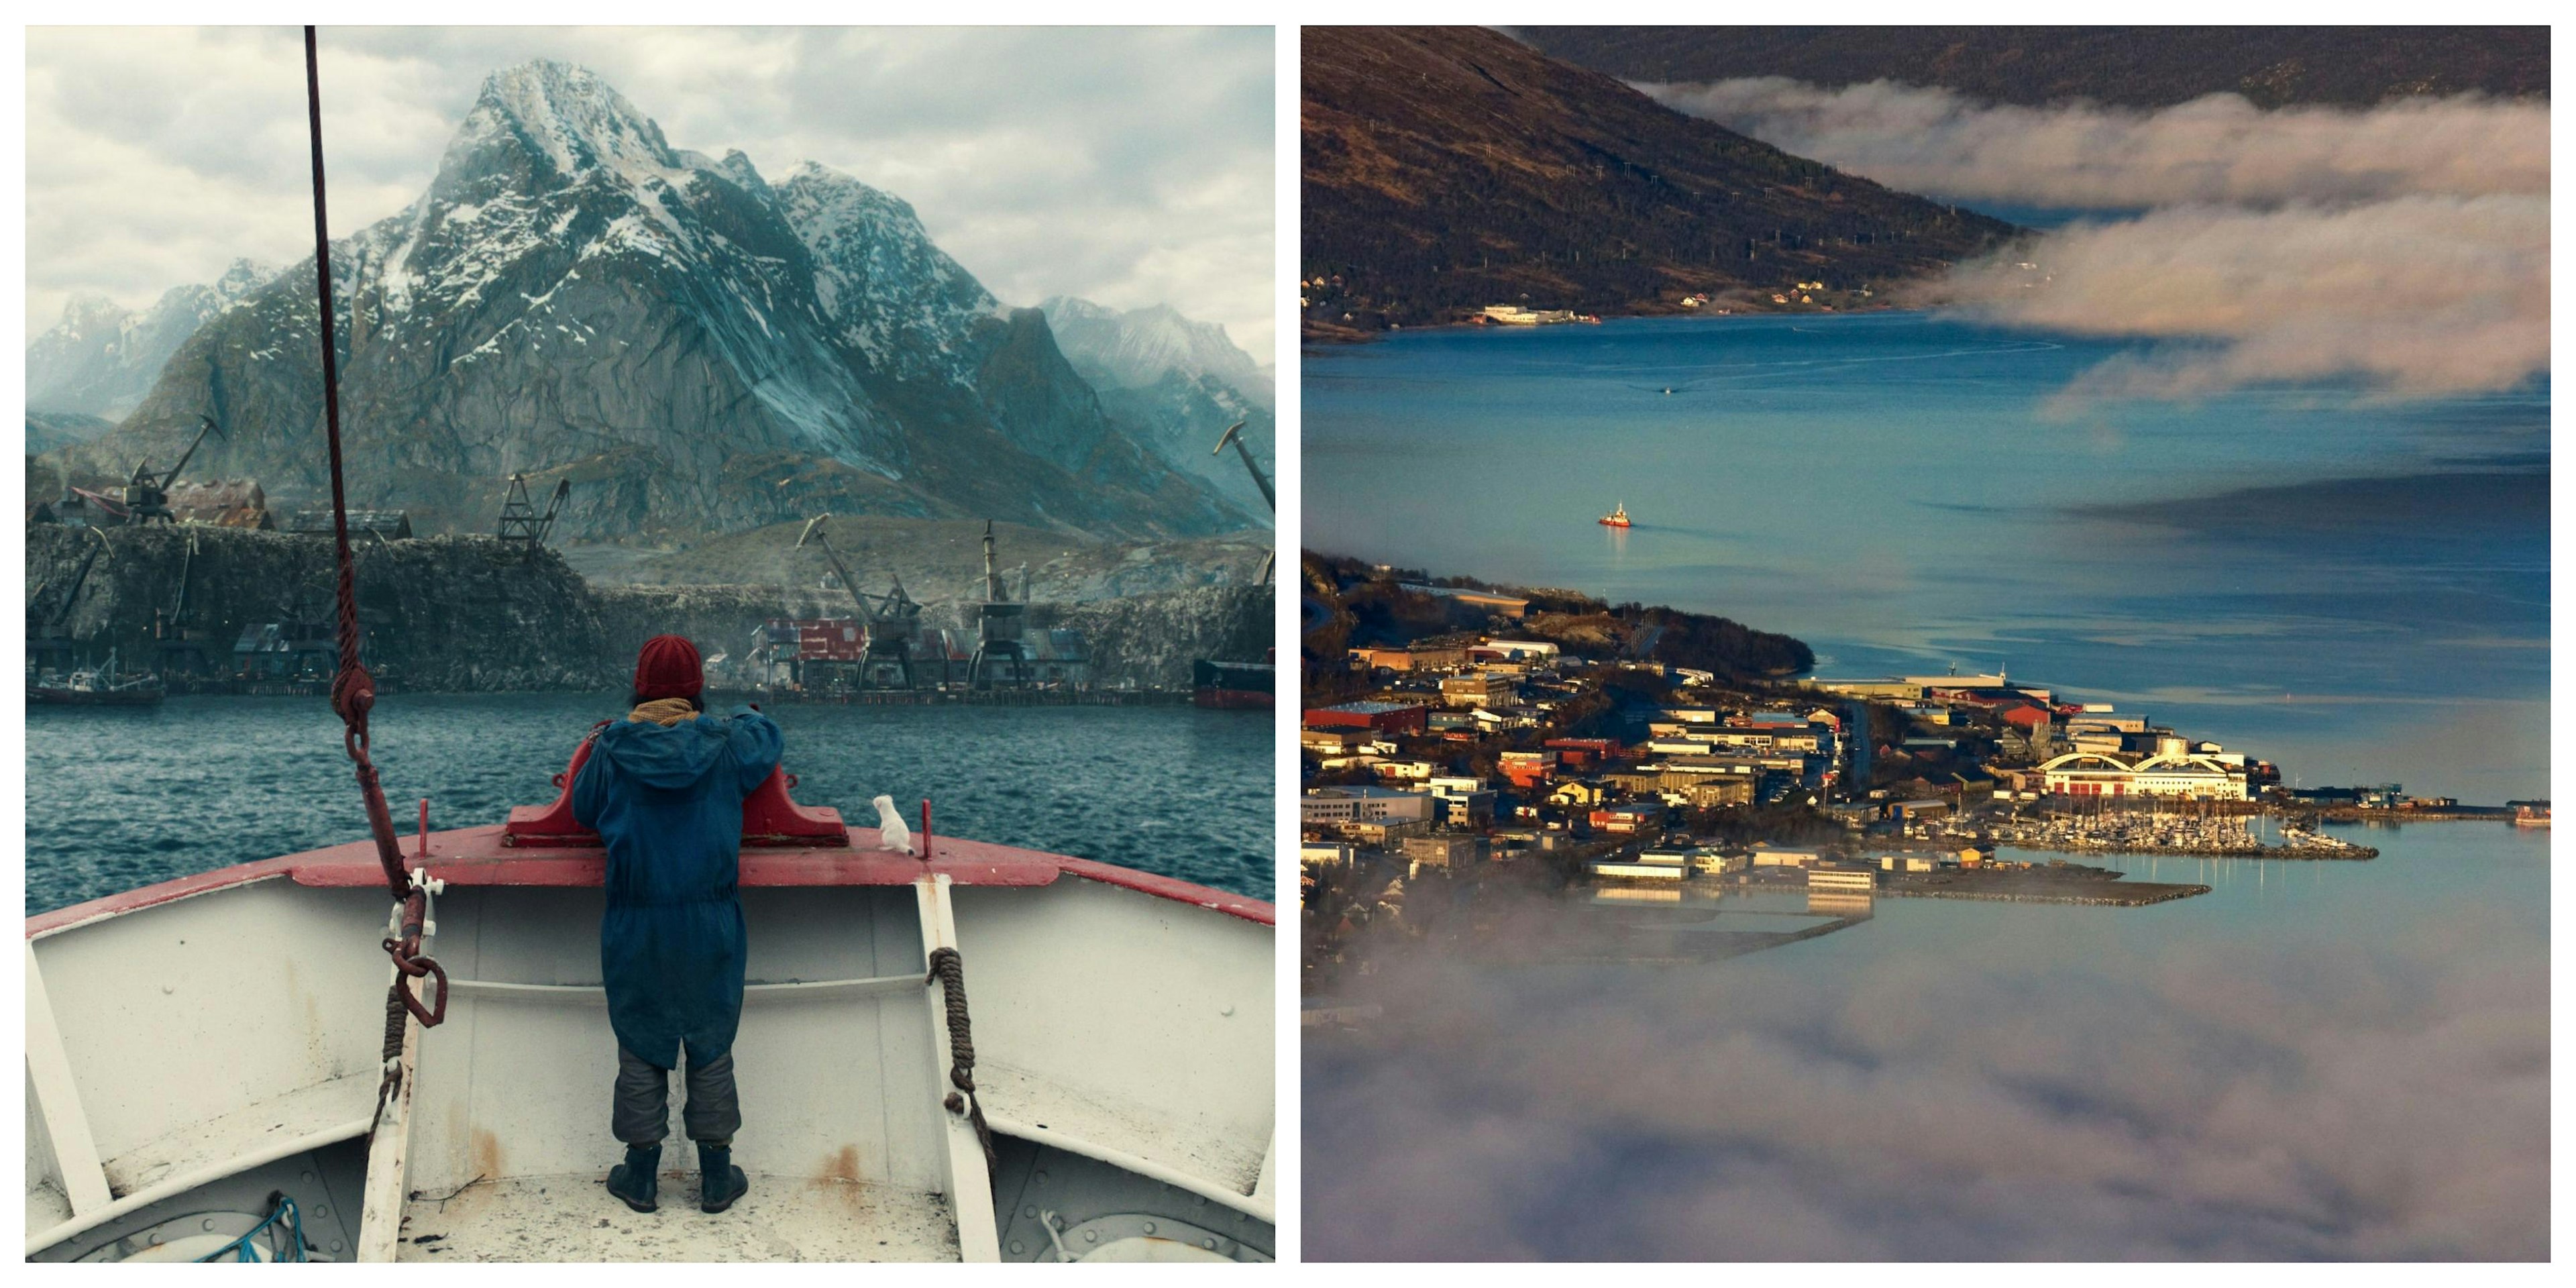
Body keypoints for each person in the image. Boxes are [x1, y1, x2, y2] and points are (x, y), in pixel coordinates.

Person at [573, 634, 783, 1215]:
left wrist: (602, 737)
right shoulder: (725, 743)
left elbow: (583, 808)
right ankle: (717, 1177)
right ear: (697, 689)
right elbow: (769, 737)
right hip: (710, 918)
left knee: (642, 1039)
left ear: (639, 686)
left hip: (636, 922)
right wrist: (743, 714)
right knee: (710, 1037)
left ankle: (640, 1176)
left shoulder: (613, 748)